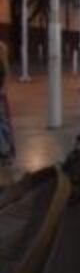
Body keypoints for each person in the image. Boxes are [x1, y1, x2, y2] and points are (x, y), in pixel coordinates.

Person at [0, 41, 15, 185]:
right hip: (1, 95)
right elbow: (6, 74)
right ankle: (7, 152)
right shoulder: (3, 48)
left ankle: (5, 152)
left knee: (3, 125)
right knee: (4, 124)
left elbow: (5, 74)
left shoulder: (2, 48)